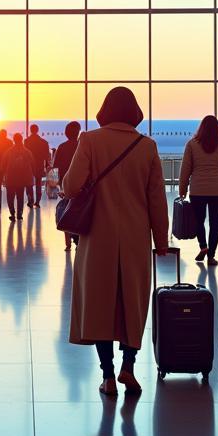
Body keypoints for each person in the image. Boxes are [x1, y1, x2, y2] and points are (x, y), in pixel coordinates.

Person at [64, 87, 169, 396]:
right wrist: (160, 240)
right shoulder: (147, 147)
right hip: (136, 237)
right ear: (134, 111)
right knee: (131, 303)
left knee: (100, 305)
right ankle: (129, 368)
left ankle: (107, 376)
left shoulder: (90, 141)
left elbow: (71, 187)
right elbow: (157, 200)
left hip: (97, 237)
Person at [179, 115, 218, 266]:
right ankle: (211, 256)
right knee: (215, 223)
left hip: (198, 190)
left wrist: (182, 189)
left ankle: (203, 246)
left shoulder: (192, 144)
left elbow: (185, 169)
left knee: (199, 221)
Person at [53, 121, 82, 250]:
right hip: (82, 185)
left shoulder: (62, 147)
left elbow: (56, 167)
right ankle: (78, 238)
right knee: (79, 211)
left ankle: (68, 243)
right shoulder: (82, 146)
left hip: (65, 185)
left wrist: (57, 185)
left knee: (65, 211)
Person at [3, 133, 36, 222]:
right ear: (21, 140)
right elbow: (33, 164)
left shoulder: (8, 151)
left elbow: (3, 164)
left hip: (11, 178)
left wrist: (3, 174)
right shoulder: (27, 152)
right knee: (20, 197)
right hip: (22, 178)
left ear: (14, 140)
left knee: (10, 197)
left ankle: (12, 213)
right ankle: (19, 214)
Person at [24, 124, 51, 208]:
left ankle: (30, 200)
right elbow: (46, 155)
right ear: (37, 130)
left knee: (29, 183)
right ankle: (37, 201)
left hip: (29, 165)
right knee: (38, 183)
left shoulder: (27, 141)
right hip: (39, 164)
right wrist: (46, 164)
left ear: (31, 130)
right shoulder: (43, 142)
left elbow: (24, 154)